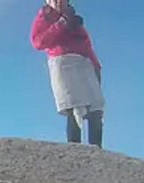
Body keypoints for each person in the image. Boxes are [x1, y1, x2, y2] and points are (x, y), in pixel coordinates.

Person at [31, 0, 104, 147]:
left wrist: (96, 66)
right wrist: (62, 23)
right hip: (63, 63)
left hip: (84, 64)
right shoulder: (45, 17)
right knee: (74, 106)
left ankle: (97, 148)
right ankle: (74, 147)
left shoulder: (75, 20)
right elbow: (39, 42)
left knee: (96, 108)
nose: (58, 2)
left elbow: (86, 45)